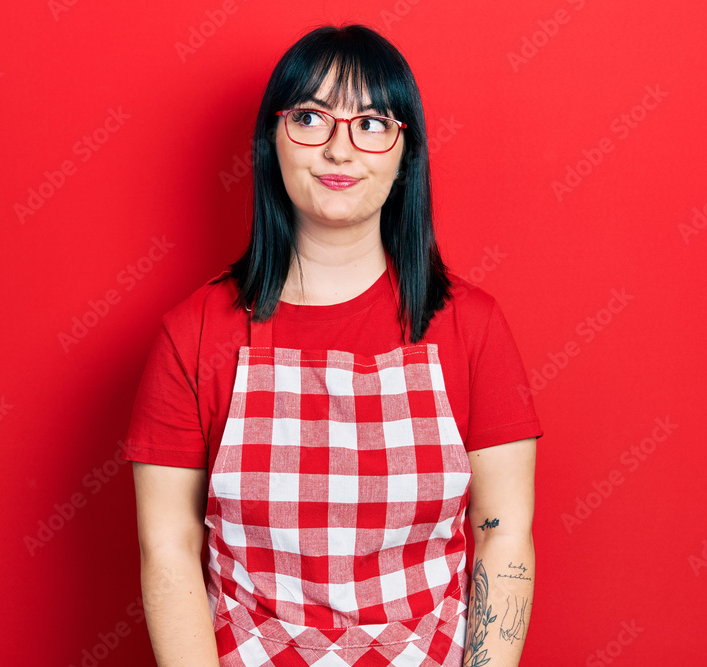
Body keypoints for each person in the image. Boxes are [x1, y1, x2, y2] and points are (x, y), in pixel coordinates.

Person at [124, 23, 542, 667]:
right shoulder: (194, 332)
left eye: (372, 123)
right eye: (312, 118)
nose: (340, 150)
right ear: (272, 139)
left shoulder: (473, 326)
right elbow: (169, 547)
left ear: (406, 153)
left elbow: (503, 534)